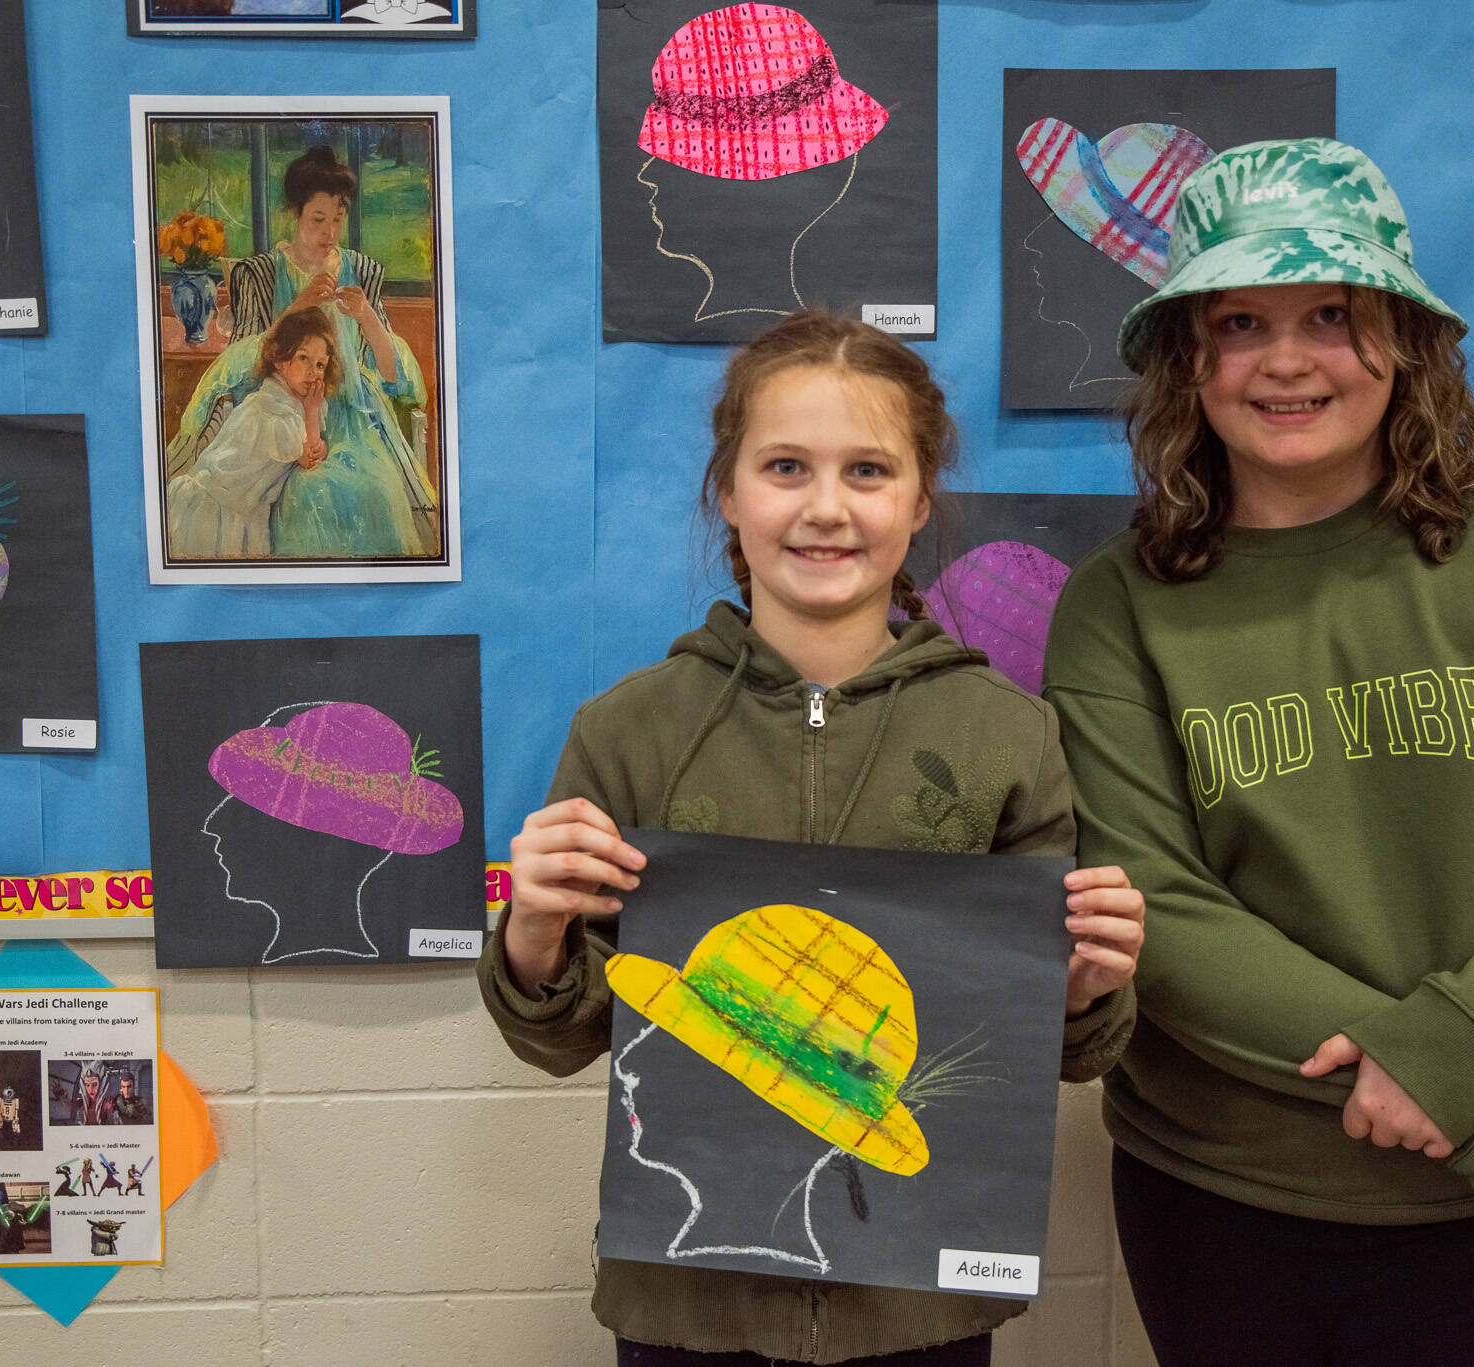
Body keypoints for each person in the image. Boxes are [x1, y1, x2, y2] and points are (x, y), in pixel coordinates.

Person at [1043, 138, 1474, 1367]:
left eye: (1331, 315)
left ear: (1401, 339)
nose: (1286, 359)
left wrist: (1454, 1060)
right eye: (1239, 322)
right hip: (1227, 1194)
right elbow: (1157, 909)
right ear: (1187, 359)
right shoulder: (1115, 606)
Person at [478, 310, 1146, 1366]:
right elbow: (564, 1038)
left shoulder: (1006, 738)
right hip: (688, 1303)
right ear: (727, 491)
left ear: (919, 500)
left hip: (912, 1309)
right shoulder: (628, 731)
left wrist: (1081, 984)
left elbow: (1041, 1059)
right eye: (785, 466)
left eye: (867, 470)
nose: (825, 507)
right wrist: (533, 932)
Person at [169, 144, 436, 559]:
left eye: (338, 219)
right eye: (318, 219)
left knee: (375, 491)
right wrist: (300, 305)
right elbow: (249, 365)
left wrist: (366, 316)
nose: (329, 232)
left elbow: (390, 374)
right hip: (284, 420)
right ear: (295, 214)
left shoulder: (362, 271)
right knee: (308, 494)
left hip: (352, 420)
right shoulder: (260, 273)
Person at [165, 307, 336, 558]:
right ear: (280, 360)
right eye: (303, 358)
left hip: (243, 510)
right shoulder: (269, 408)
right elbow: (307, 458)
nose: (313, 371)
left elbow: (310, 448)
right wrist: (312, 415)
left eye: (320, 364)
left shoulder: (293, 403)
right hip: (215, 507)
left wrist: (320, 442)